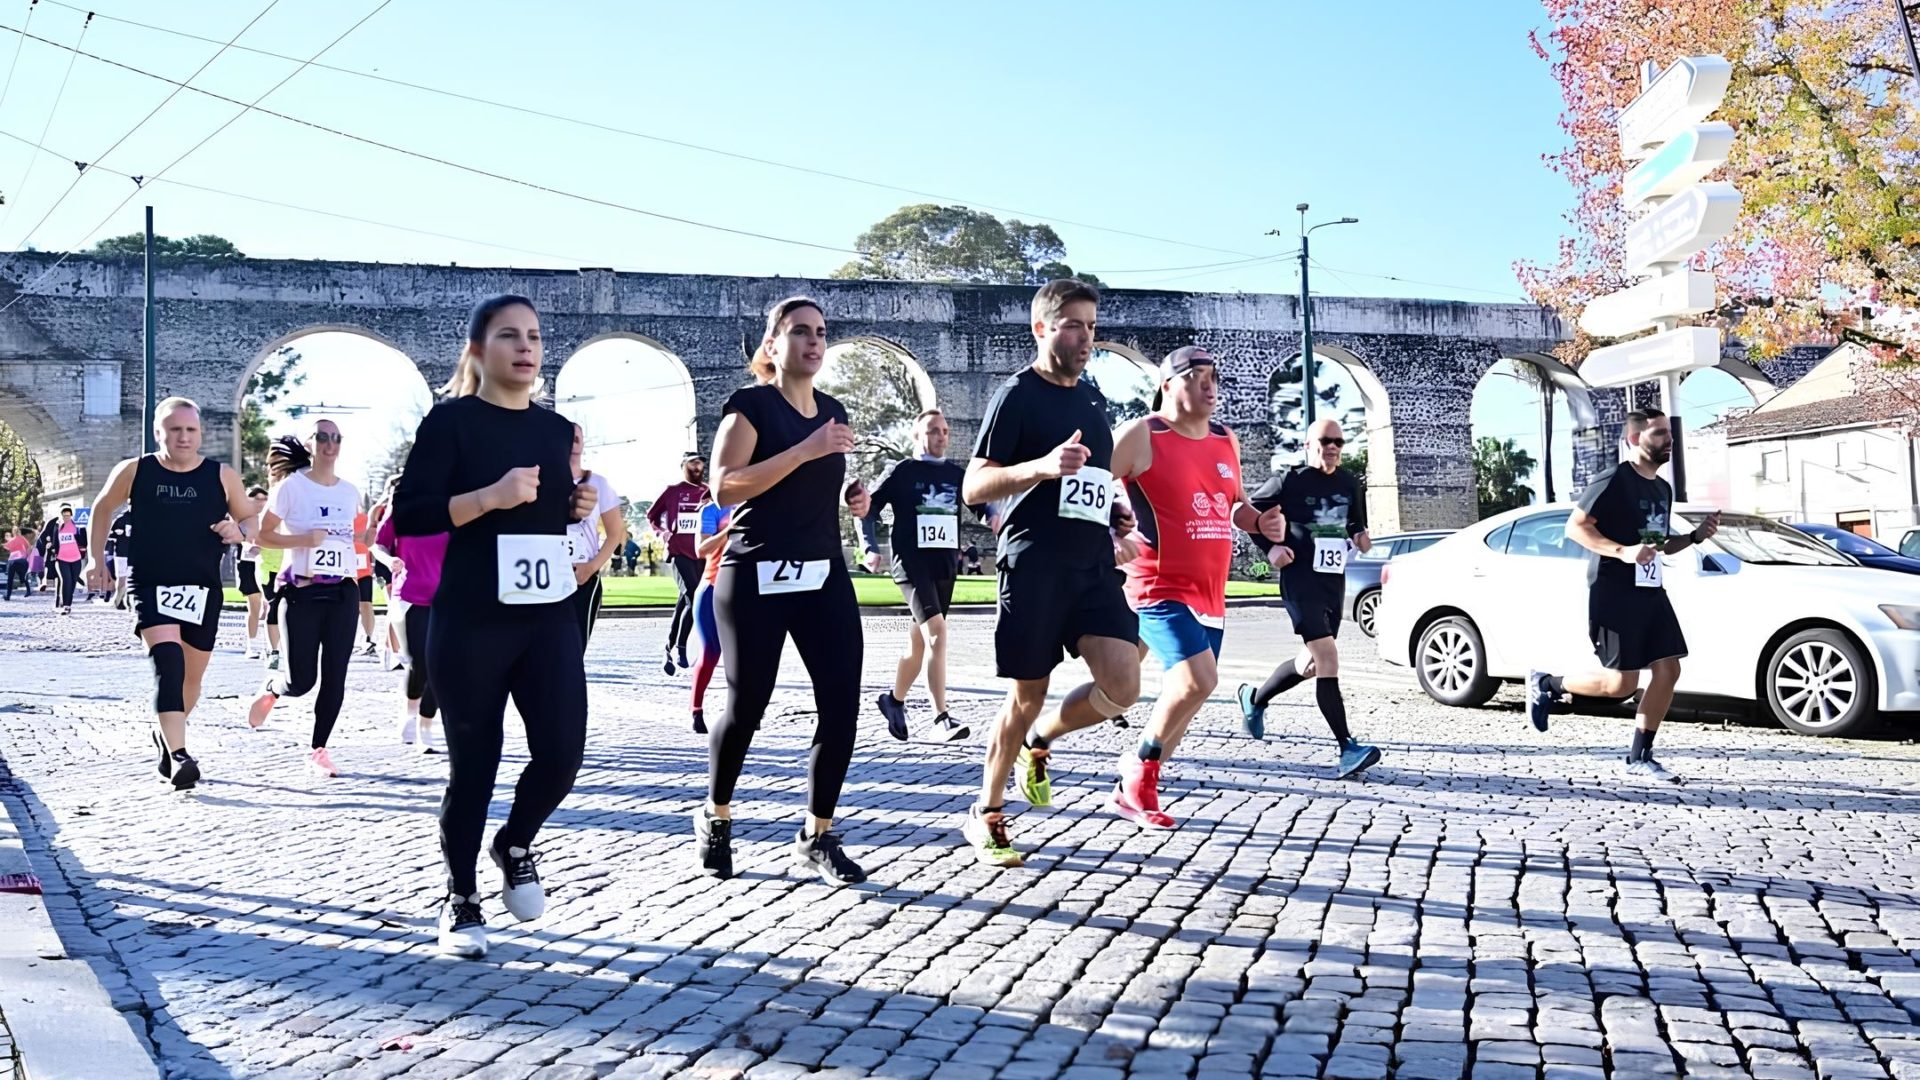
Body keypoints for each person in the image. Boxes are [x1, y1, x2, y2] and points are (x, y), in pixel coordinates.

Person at [393, 294, 598, 959]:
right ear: (479, 350)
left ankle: (513, 841)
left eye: (535, 336)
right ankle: (460, 899)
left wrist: (574, 506)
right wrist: (490, 497)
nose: (526, 347)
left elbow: (543, 517)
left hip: (547, 617)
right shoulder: (449, 422)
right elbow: (414, 516)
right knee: (473, 766)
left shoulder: (555, 429)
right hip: (473, 616)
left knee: (563, 752)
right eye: (510, 335)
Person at [959, 279, 1142, 868]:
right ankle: (986, 813)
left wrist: (1118, 526)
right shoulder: (1016, 395)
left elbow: (1096, 482)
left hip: (1091, 566)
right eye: (1073, 325)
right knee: (1026, 695)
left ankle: (1042, 742)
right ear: (1042, 329)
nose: (1086, 336)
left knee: (1125, 679)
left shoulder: (1093, 399)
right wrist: (1039, 466)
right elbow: (973, 486)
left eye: (1091, 325)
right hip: (1033, 564)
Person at [695, 295, 872, 887]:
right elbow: (725, 487)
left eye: (821, 332)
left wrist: (849, 500)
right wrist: (806, 450)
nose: (814, 341)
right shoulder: (749, 408)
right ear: (773, 346)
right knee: (748, 705)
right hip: (755, 573)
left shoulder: (835, 409)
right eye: (800, 332)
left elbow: (813, 489)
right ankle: (716, 816)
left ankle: (817, 836)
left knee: (842, 703)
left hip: (822, 572)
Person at [1109, 347, 1286, 828]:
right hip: (1156, 583)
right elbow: (1090, 485)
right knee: (1198, 680)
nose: (1210, 386)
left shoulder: (1225, 440)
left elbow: (1234, 506)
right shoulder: (1142, 435)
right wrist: (1111, 533)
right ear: (1168, 385)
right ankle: (1139, 778)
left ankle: (1136, 777)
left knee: (1185, 696)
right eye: (1196, 376)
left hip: (1210, 591)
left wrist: (1261, 525)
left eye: (1213, 376)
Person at [1528, 409, 1720, 782]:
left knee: (1669, 669)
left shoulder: (1662, 489)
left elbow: (1658, 545)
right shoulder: (1614, 479)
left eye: (1670, 433)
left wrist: (1696, 536)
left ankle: (1640, 756)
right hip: (1613, 589)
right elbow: (1576, 528)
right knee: (1621, 685)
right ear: (1635, 439)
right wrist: (1622, 551)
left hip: (1650, 590)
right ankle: (1547, 684)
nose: (1670, 439)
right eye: (1660, 433)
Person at [84, 397, 254, 791]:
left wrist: (240, 531)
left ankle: (167, 736)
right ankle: (180, 756)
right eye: (174, 429)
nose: (183, 437)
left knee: (191, 680)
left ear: (200, 434)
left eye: (190, 430)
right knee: (169, 665)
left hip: (201, 588)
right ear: (158, 432)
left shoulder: (221, 476)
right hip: (150, 584)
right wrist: (96, 560)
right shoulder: (136, 470)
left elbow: (249, 518)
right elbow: (102, 507)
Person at [1236, 417, 1383, 779]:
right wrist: (1270, 548)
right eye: (1324, 441)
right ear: (1308, 445)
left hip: (1333, 583)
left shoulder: (1350, 482)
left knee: (1311, 665)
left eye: (1338, 441)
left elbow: (1354, 523)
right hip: (1300, 581)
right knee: (1328, 658)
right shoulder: (1290, 480)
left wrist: (1361, 537)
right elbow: (1248, 515)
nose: (1332, 447)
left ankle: (1254, 699)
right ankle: (1347, 747)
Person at [246, 426, 365, 778]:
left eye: (336, 438)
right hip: (302, 592)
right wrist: (303, 539)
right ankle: (273, 686)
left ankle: (319, 750)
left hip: (344, 591)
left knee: (336, 677)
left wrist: (365, 541)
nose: (330, 444)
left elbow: (348, 538)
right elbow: (263, 535)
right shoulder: (290, 487)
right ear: (311, 445)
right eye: (322, 437)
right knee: (301, 681)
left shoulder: (349, 491)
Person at [857, 408, 980, 743]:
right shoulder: (902, 472)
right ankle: (941, 718)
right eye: (932, 431)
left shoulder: (958, 475)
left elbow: (985, 506)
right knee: (937, 633)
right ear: (917, 436)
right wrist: (868, 546)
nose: (940, 436)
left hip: (944, 567)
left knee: (919, 642)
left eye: (944, 431)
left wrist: (1000, 518)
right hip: (911, 566)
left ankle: (893, 700)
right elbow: (866, 510)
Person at [373, 473, 445, 754]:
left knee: (440, 667)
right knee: (421, 663)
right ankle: (410, 712)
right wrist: (389, 559)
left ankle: (425, 726)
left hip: (446, 598)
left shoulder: (453, 509)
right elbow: (378, 545)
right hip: (411, 595)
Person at [564, 424, 627, 648]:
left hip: (582, 576)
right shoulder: (542, 479)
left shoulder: (598, 483)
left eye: (578, 437)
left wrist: (591, 567)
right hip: (547, 574)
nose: (573, 441)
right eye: (568, 436)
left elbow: (615, 534)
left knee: (575, 648)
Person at [647, 453, 711, 674]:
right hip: (678, 551)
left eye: (700, 463)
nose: (697, 466)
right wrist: (663, 534)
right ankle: (682, 648)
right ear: (683, 466)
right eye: (692, 462)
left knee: (685, 600)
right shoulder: (672, 491)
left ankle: (670, 645)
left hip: (701, 553)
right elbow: (652, 516)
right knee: (694, 596)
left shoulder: (708, 491)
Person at [687, 496, 732, 735]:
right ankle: (697, 710)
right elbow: (701, 549)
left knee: (746, 654)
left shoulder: (757, 499)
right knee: (711, 652)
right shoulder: (713, 509)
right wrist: (730, 530)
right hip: (712, 586)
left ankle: (744, 709)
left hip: (745, 590)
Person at [237, 486, 269, 657]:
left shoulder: (272, 518)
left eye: (263, 498)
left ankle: (269, 646)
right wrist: (248, 545)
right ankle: (252, 645)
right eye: (256, 498)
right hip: (248, 563)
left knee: (269, 605)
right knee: (254, 604)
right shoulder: (241, 518)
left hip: (268, 563)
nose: (260, 502)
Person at [38, 505, 87, 614]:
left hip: (76, 559)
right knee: (66, 581)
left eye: (68, 516)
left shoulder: (77, 526)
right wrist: (50, 546)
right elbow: (49, 539)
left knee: (72, 583)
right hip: (61, 559)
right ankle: (66, 606)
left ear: (71, 516)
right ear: (61, 515)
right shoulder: (56, 526)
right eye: (64, 515)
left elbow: (84, 541)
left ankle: (67, 602)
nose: (66, 518)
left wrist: (83, 551)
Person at [107, 511, 133, 609]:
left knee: (122, 578)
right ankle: (125, 601)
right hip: (129, 553)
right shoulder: (143, 518)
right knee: (129, 579)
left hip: (122, 552)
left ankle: (120, 601)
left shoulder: (120, 519)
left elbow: (111, 537)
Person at [4, 526, 30, 600]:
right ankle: (28, 591)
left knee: (10, 579)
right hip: (21, 560)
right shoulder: (23, 539)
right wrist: (26, 556)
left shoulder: (12, 540)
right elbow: (28, 546)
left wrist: (6, 542)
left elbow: (7, 547)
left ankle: (8, 596)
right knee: (23, 577)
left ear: (13, 532)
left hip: (12, 560)